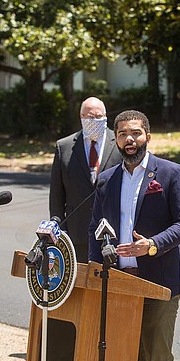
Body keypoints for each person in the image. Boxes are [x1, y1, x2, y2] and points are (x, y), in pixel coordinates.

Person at [89, 110, 180, 361]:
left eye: (135, 133)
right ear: (116, 140)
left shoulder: (171, 173)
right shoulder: (106, 179)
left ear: (147, 136)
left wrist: (152, 245)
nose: (129, 139)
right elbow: (95, 229)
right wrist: (95, 266)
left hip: (159, 281)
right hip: (120, 283)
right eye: (123, 134)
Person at [50, 96, 122, 262]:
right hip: (77, 232)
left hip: (112, 231)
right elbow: (56, 195)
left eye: (98, 116)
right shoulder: (64, 147)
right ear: (81, 117)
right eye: (89, 117)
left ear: (105, 117)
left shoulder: (120, 144)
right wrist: (59, 229)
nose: (94, 120)